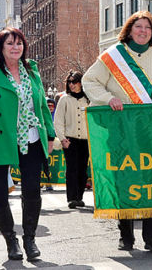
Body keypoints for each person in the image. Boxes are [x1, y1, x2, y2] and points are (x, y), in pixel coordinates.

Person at [83, 10, 152, 254]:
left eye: (148, 28)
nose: (143, 31)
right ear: (129, 30)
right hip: (121, 128)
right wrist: (108, 98)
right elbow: (89, 81)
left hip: (151, 130)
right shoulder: (113, 56)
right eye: (139, 27)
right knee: (125, 179)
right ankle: (125, 235)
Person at [0, 27, 56, 261]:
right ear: (0, 47)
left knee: (32, 192)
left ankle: (29, 239)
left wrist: (51, 134)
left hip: (32, 138)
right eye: (10, 44)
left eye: (19, 43)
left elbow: (42, 107)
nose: (15, 48)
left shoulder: (32, 72)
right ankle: (10, 240)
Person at [54, 71, 90, 209]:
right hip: (70, 140)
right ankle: (72, 197)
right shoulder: (64, 99)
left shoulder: (88, 100)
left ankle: (79, 197)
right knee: (72, 169)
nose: (71, 84)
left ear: (81, 83)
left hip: (85, 140)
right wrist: (62, 139)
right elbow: (58, 121)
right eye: (69, 82)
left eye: (74, 81)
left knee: (82, 169)